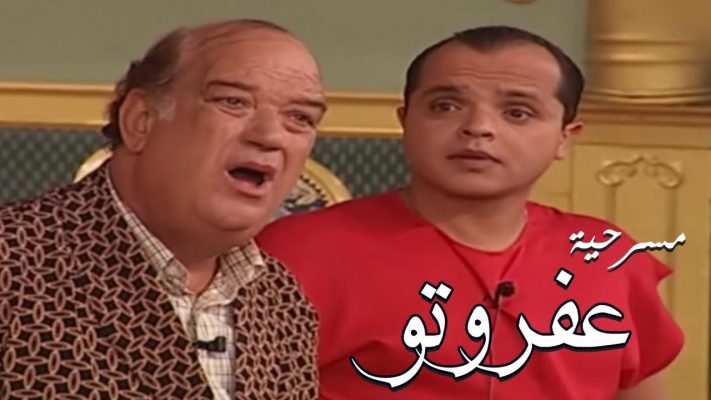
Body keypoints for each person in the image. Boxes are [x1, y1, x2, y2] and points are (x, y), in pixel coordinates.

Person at [257, 26, 684, 400]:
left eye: (517, 112)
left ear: (564, 138)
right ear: (406, 121)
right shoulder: (297, 254)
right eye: (445, 106)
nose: (478, 127)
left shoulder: (606, 258)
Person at [0, 18, 327, 399]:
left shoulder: (285, 301)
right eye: (233, 102)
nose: (270, 136)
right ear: (140, 121)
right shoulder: (12, 259)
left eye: (300, 118)